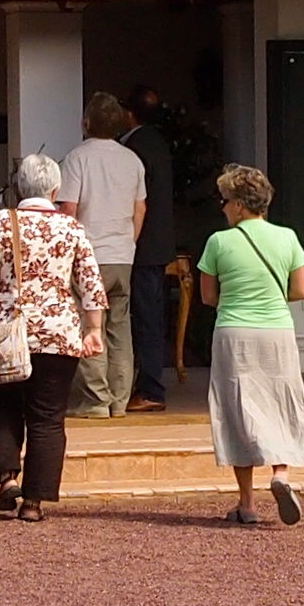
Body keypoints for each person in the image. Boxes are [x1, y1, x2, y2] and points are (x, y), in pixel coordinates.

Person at [0, 152, 104, 522]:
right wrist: (94, 329)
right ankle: (34, 503)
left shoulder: (2, 222)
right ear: (55, 189)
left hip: (7, 330)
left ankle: (8, 478)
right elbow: (90, 282)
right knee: (48, 417)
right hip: (57, 332)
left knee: (3, 404)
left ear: (19, 187)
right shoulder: (71, 228)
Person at [194, 162, 304, 527]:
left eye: (226, 200)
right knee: (282, 400)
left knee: (237, 409)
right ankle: (281, 474)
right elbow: (301, 289)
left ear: (239, 205)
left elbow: (207, 296)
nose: (223, 207)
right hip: (277, 330)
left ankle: (246, 503)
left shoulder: (219, 241)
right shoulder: (288, 237)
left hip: (234, 331)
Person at [61, 95, 149, 419]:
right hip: (122, 254)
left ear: (86, 124)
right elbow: (140, 208)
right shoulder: (132, 161)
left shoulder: (76, 159)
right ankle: (120, 399)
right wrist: (129, 242)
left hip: (88, 253)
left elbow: (69, 208)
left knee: (88, 323)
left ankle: (97, 399)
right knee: (119, 327)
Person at [120, 84, 177, 413]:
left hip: (141, 245)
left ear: (128, 115)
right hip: (155, 244)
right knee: (149, 317)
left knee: (146, 319)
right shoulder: (158, 143)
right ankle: (144, 383)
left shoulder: (136, 147)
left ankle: (151, 387)